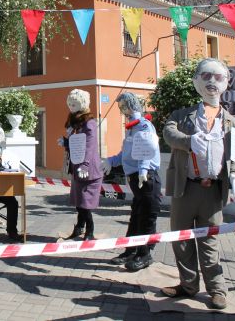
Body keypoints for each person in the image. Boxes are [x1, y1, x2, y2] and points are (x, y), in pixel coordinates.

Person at [161, 58, 235, 310]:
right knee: (181, 239)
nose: (211, 82)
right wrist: (188, 141)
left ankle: (217, 290)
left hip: (213, 191)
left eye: (218, 77)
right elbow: (168, 133)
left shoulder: (233, 123)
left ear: (226, 83)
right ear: (196, 80)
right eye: (206, 76)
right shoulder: (181, 116)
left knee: (210, 242)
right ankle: (188, 285)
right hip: (185, 188)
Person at [102, 92, 161, 271]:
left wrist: (143, 169)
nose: (122, 110)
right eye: (121, 107)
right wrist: (111, 161)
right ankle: (130, 250)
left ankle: (145, 254)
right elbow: (127, 153)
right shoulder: (131, 128)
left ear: (132, 105)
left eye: (124, 106)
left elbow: (146, 149)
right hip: (135, 178)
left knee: (147, 216)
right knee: (136, 215)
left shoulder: (143, 125)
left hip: (146, 177)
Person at [58, 89, 102, 241]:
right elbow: (76, 144)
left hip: (88, 169)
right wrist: (66, 142)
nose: (71, 106)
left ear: (82, 104)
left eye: (74, 104)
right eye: (69, 103)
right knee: (79, 202)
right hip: (77, 167)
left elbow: (90, 146)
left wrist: (84, 165)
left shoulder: (89, 123)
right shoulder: (74, 122)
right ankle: (79, 228)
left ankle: (90, 231)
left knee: (84, 203)